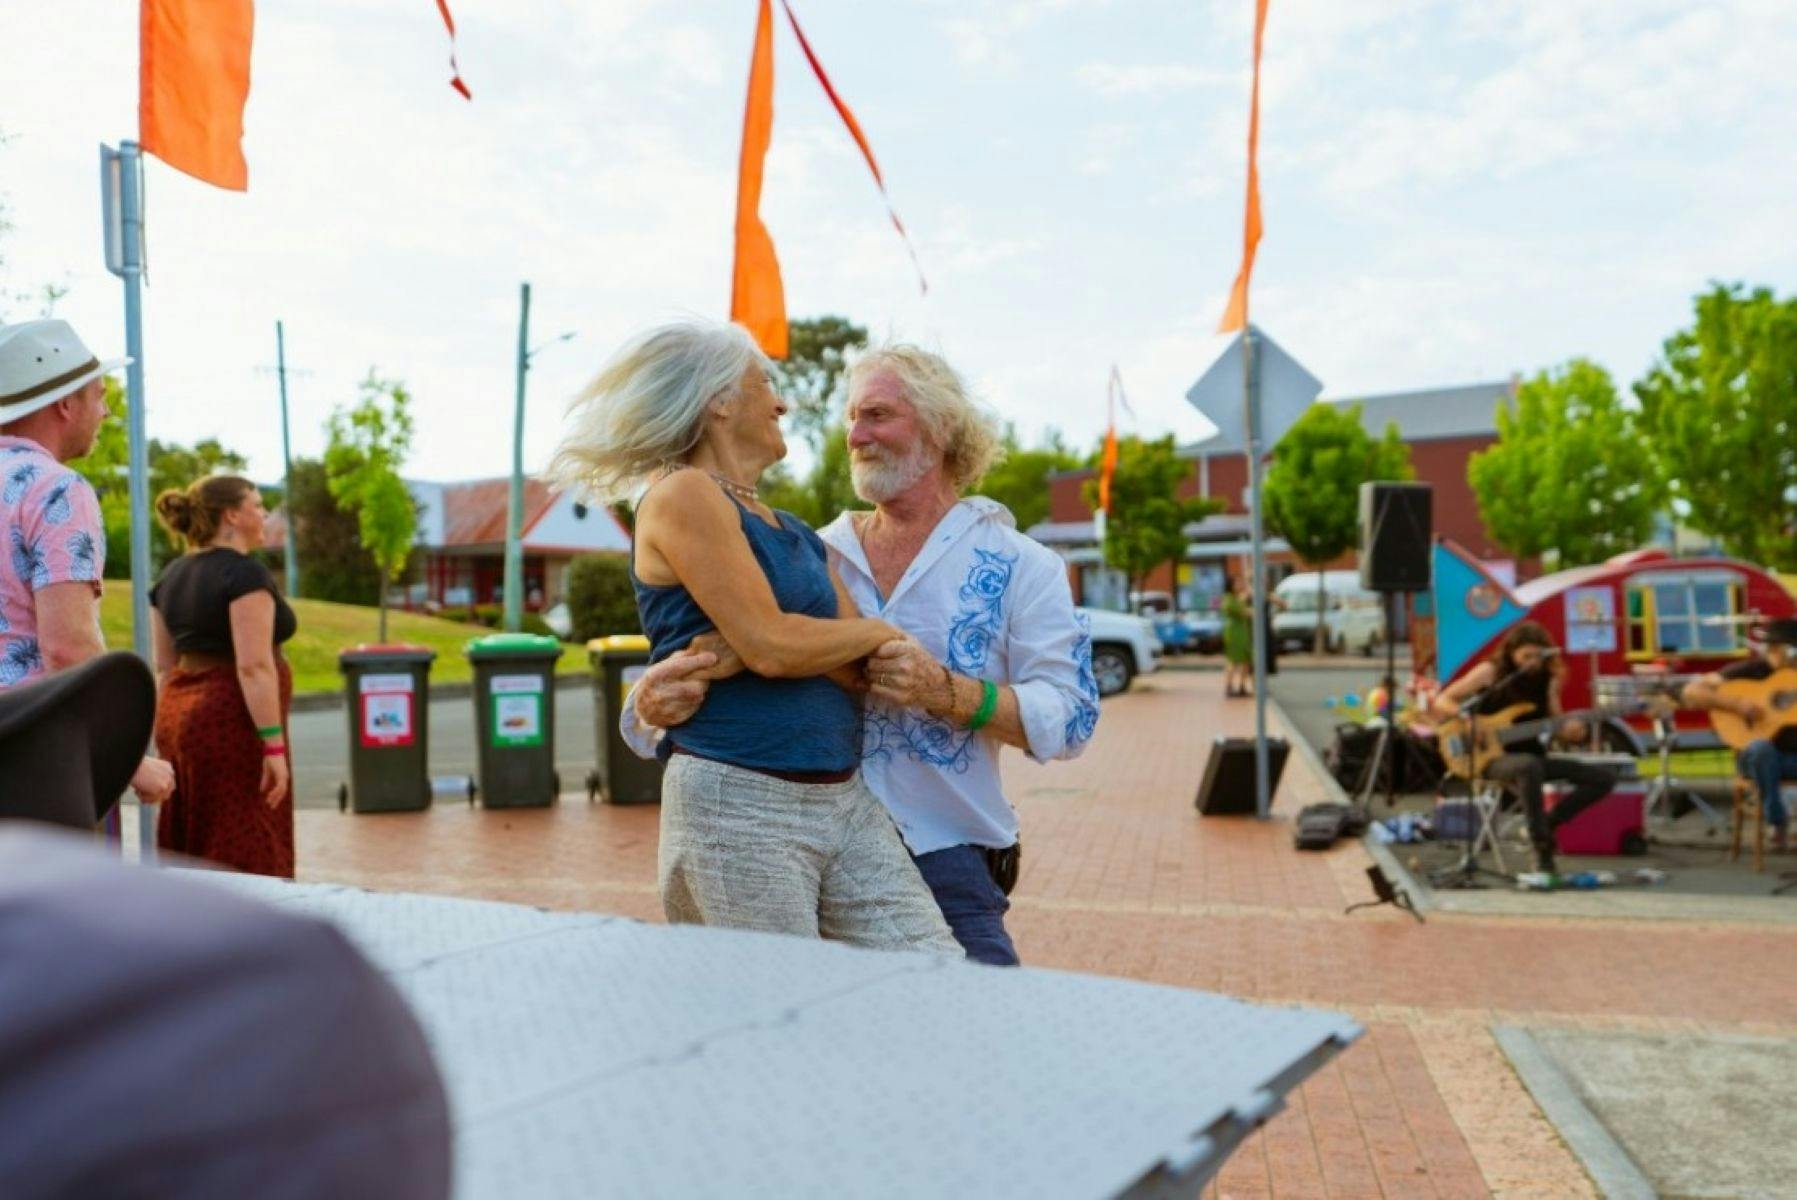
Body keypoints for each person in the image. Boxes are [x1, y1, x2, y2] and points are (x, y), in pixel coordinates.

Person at [627, 344, 1100, 966]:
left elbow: (1072, 719)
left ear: (940, 427)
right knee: (792, 1030)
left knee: (977, 1032)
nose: (855, 434)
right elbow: (717, 648)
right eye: (851, 418)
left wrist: (948, 692)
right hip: (773, 826)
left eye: (876, 416)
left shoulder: (1023, 565)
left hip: (943, 859)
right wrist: (643, 703)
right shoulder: (814, 546)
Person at [547, 320, 960, 955]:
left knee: (936, 972)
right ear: (718, 400)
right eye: (765, 381)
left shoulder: (794, 531)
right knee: (777, 1018)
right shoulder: (683, 493)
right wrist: (844, 633)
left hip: (841, 799)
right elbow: (778, 647)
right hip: (738, 802)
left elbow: (858, 669)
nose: (782, 401)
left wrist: (776, 642)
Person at [0, 318, 173, 806]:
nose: (106, 410)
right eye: (99, 395)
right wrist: (132, 762)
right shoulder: (56, 490)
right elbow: (67, 649)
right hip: (28, 752)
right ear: (65, 403)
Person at [150, 476, 298, 876]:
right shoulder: (245, 575)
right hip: (232, 724)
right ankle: (249, 934)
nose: (264, 513)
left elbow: (165, 665)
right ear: (232, 515)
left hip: (179, 718)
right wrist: (273, 746)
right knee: (246, 837)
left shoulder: (170, 577)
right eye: (257, 504)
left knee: (195, 835)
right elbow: (253, 665)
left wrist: (164, 733)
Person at [1429, 621, 1615, 874]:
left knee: (1602, 777)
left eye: (1538, 656)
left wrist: (1572, 732)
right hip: (1491, 759)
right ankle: (1542, 851)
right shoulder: (1490, 672)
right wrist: (1468, 720)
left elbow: (1556, 722)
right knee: (1528, 767)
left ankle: (1548, 824)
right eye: (1526, 656)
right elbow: (1443, 699)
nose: (1532, 662)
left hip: (1532, 758)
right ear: (1511, 653)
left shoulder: (1549, 680)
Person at [1682, 617, 1797, 853]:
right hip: (1758, 760)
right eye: (1772, 647)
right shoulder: (1751, 670)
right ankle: (1778, 821)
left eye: (1781, 648)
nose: (1775, 652)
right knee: (1760, 748)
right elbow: (1692, 691)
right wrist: (1737, 704)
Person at [1221, 575, 1253, 697]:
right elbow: (1243, 612)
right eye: (1237, 583)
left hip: (1242, 633)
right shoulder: (1229, 599)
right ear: (1231, 586)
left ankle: (1242, 686)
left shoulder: (1236, 598)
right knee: (1233, 660)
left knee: (1246, 660)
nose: (1240, 585)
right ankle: (1229, 686)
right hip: (1234, 633)